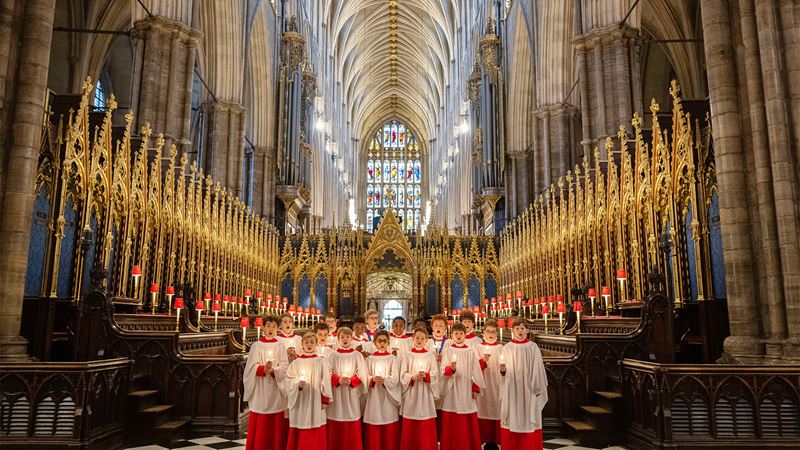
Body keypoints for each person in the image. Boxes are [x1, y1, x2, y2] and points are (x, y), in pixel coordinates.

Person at [499, 317, 548, 450]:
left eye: (522, 328)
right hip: (512, 389)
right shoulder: (507, 347)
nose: (520, 331)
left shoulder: (533, 347)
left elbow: (538, 368)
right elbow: (503, 370)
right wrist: (502, 371)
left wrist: (535, 386)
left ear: (527, 330)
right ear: (512, 330)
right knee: (511, 415)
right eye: (517, 328)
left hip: (529, 388)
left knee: (529, 415)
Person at [244, 315, 289, 450]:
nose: (271, 329)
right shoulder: (256, 346)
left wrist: (274, 370)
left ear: (278, 328)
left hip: (275, 389)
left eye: (274, 326)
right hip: (261, 389)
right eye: (268, 325)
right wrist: (263, 369)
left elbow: (285, 367)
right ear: (263, 327)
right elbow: (250, 369)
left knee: (276, 420)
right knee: (261, 420)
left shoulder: (280, 345)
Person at [439, 323, 485, 450]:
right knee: (451, 418)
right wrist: (450, 369)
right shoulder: (448, 350)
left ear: (465, 335)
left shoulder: (470, 350)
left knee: (467, 417)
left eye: (461, 333)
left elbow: (476, 370)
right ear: (451, 335)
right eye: (456, 333)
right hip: (452, 389)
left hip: (466, 388)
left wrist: (475, 386)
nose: (458, 336)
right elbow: (443, 369)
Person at [285, 332, 333, 450]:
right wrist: (298, 384)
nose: (309, 345)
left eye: (312, 342)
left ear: (316, 344)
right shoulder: (296, 362)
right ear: (302, 344)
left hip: (316, 400)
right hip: (301, 400)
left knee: (316, 425)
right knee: (301, 423)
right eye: (306, 342)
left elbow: (326, 380)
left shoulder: (321, 361)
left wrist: (325, 400)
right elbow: (289, 379)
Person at [326, 327, 367, 450]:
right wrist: (337, 379)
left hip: (351, 393)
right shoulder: (332, 355)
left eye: (348, 337)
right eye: (342, 337)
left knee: (352, 417)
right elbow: (327, 372)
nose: (345, 339)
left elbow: (362, 372)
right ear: (338, 339)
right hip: (337, 393)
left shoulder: (357, 355)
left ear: (352, 338)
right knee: (335, 417)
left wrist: (351, 380)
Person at [399, 328, 439, 450]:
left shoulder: (430, 356)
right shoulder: (408, 355)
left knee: (425, 423)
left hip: (425, 393)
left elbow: (435, 374)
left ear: (426, 340)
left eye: (422, 338)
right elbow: (403, 374)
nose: (420, 340)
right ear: (413, 339)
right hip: (412, 392)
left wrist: (426, 376)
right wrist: (412, 377)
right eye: (417, 338)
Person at [363, 330, 401, 450]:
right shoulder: (369, 359)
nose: (382, 343)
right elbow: (365, 376)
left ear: (389, 342)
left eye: (385, 341)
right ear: (374, 342)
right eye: (380, 341)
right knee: (374, 419)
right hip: (374, 396)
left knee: (388, 420)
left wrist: (385, 381)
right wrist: (372, 379)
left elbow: (395, 377)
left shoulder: (392, 359)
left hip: (387, 396)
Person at [475, 319, 503, 450]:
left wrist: (504, 369)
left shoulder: (501, 348)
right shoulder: (478, 347)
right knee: (483, 410)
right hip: (483, 384)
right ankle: (483, 440)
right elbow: (473, 368)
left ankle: (497, 441)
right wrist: (482, 361)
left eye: (493, 331)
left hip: (497, 384)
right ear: (483, 333)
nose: (490, 333)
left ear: (497, 333)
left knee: (497, 410)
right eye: (488, 331)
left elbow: (506, 367)